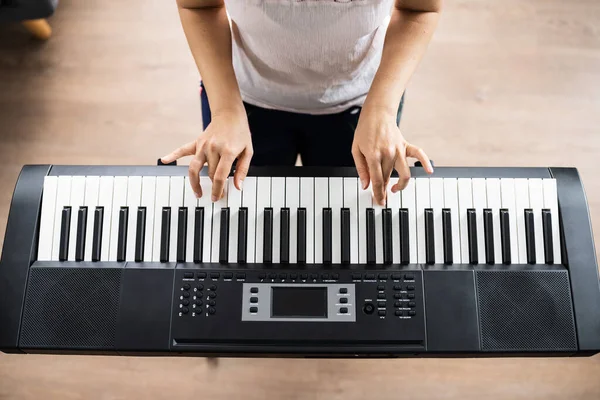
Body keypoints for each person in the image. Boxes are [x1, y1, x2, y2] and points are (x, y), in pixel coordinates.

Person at [162, 0, 440, 206]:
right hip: (240, 102)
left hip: (363, 105)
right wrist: (224, 111)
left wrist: (381, 110)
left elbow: (418, 9)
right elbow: (199, 5)